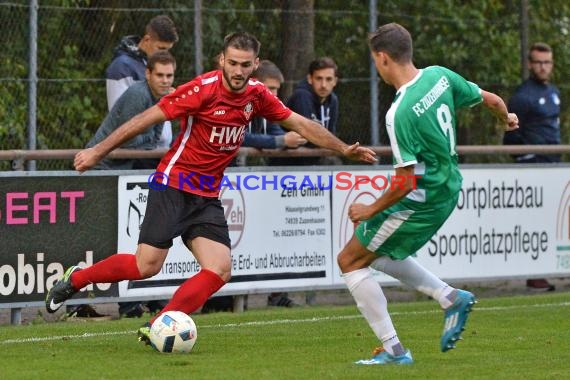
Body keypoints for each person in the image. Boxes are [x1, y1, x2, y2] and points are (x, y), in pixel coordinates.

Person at [45, 32, 376, 345]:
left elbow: (301, 124)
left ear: (255, 64)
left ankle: (160, 323)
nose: (238, 70)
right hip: (173, 185)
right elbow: (145, 118)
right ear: (222, 59)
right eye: (232, 63)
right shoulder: (201, 90)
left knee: (219, 269)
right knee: (146, 266)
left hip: (206, 196)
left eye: (245, 64)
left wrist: (343, 148)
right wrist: (96, 151)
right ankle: (77, 279)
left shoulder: (257, 95)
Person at [337, 23, 519, 365]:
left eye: (374, 60)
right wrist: (506, 118)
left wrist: (369, 210)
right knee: (374, 254)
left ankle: (395, 351)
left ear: (383, 58)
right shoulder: (439, 76)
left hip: (423, 196)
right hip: (448, 186)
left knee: (349, 261)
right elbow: (492, 100)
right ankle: (448, 296)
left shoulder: (400, 112)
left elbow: (404, 182)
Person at [503, 42, 560, 292]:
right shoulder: (522, 96)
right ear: (529, 64)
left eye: (547, 62)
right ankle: (534, 272)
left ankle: (549, 268)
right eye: (538, 62)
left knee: (553, 220)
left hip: (554, 166)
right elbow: (510, 138)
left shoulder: (554, 92)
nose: (543, 67)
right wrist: (525, 158)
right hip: (534, 166)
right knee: (533, 220)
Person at [106, 14, 179, 150]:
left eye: (168, 50)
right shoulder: (122, 66)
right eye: (161, 48)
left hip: (159, 150)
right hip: (136, 153)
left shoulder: (152, 63)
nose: (166, 54)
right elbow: (119, 115)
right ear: (147, 40)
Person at [272, 57, 340, 167]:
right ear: (310, 79)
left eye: (328, 79)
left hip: (313, 164)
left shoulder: (333, 100)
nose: (323, 85)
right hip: (287, 166)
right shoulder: (302, 96)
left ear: (335, 81)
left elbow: (331, 133)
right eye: (319, 79)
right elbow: (308, 136)